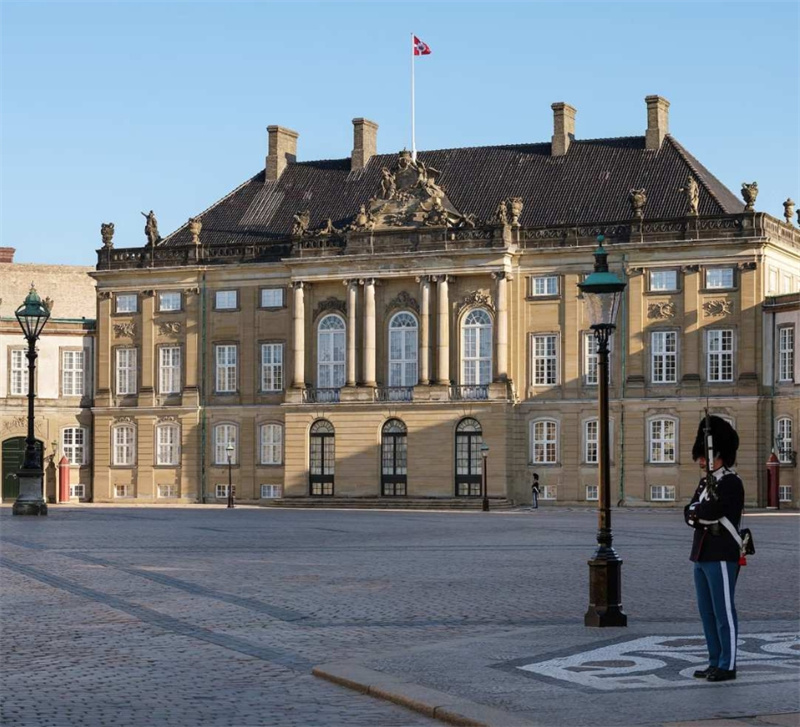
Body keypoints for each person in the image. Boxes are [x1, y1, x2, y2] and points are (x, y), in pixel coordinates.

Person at [684, 416, 744, 683]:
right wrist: (698, 513)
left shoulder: (731, 482)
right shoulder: (704, 483)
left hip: (721, 553)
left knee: (724, 612)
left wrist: (698, 513)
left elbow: (710, 511)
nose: (701, 461)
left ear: (718, 455)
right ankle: (714, 660)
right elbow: (689, 513)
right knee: (706, 612)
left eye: (705, 456)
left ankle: (727, 664)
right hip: (701, 552)